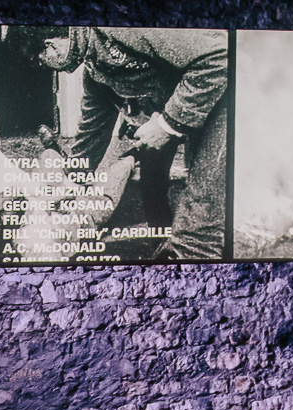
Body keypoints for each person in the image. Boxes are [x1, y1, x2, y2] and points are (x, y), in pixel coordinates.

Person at [35, 26, 228, 260]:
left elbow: (219, 57)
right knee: (151, 181)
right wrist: (70, 181)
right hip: (170, 110)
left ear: (51, 45)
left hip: (218, 97)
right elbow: (91, 133)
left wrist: (167, 125)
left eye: (42, 58)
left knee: (199, 223)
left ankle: (191, 261)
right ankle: (161, 244)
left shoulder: (120, 28)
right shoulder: (95, 67)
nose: (45, 64)